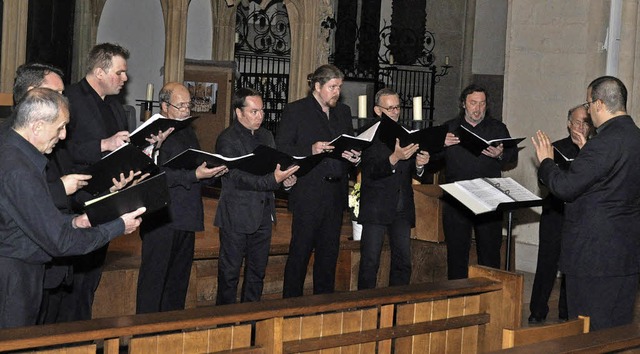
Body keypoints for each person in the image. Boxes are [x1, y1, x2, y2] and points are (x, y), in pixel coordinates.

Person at [0, 88, 144, 328]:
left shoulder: (14, 155)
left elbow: (28, 220)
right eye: (59, 127)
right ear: (36, 127)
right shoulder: (20, 170)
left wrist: (75, 222)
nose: (64, 135)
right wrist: (118, 226)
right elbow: (61, 242)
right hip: (14, 279)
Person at [61, 43, 164, 322]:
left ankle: (83, 333)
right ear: (99, 72)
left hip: (109, 196)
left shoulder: (116, 106)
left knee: (91, 278)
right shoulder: (70, 97)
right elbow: (61, 149)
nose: (125, 78)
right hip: (76, 199)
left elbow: (121, 148)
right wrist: (104, 144)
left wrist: (145, 147)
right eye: (119, 73)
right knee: (74, 280)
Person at [532, 76, 640, 330]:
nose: (588, 110)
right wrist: (585, 156)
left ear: (600, 104)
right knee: (616, 331)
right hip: (626, 252)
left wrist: (547, 162)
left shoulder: (603, 143)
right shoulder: (634, 137)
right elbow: (611, 182)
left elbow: (565, 188)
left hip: (595, 255)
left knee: (586, 331)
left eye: (589, 104)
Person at [135, 82, 227, 313]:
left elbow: (193, 167)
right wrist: (194, 174)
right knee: (154, 282)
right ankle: (145, 336)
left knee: (178, 281)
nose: (187, 110)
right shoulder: (150, 131)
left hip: (186, 215)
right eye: (181, 105)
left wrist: (211, 173)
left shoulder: (186, 130)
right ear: (165, 106)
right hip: (161, 217)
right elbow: (152, 174)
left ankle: (170, 334)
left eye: (189, 105)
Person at [276, 64, 361, 297]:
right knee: (300, 253)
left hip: (335, 193)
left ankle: (323, 305)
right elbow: (282, 149)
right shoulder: (296, 111)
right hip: (308, 192)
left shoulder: (342, 112)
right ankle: (290, 305)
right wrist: (310, 148)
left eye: (339, 87)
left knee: (328, 254)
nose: (337, 92)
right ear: (317, 86)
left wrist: (354, 156)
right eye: (332, 87)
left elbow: (349, 143)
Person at [214, 88, 298, 304]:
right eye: (254, 111)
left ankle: (252, 321)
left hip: (263, 214)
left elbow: (273, 169)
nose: (260, 116)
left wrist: (286, 182)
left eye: (262, 111)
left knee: (257, 273)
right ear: (238, 112)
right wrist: (274, 180)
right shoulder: (227, 139)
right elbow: (237, 177)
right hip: (236, 215)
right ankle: (225, 322)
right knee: (230, 273)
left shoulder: (266, 135)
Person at [432, 84, 518, 280]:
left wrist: (501, 153)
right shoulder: (449, 128)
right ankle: (457, 298)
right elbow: (431, 160)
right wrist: (440, 144)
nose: (478, 108)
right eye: (473, 103)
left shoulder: (497, 128)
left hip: (488, 197)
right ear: (464, 104)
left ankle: (489, 297)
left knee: (489, 253)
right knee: (456, 253)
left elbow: (512, 155)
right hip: (457, 197)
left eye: (482, 103)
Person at [357, 88, 430, 289]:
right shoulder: (368, 134)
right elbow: (370, 171)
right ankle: (366, 311)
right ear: (377, 110)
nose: (395, 111)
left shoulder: (408, 132)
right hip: (376, 208)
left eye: (397, 107)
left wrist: (421, 164)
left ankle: (397, 309)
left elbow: (417, 172)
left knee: (403, 262)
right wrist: (395, 157)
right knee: (370, 262)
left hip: (401, 207)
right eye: (389, 108)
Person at [528, 104, 591, 324]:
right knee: (547, 263)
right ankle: (537, 310)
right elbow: (543, 180)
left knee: (571, 265)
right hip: (555, 212)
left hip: (580, 216)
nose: (580, 127)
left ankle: (566, 312)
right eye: (576, 122)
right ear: (568, 124)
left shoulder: (594, 150)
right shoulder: (554, 148)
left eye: (585, 122)